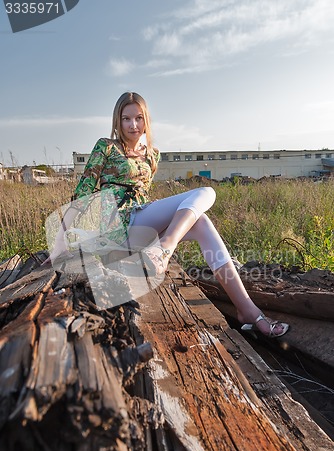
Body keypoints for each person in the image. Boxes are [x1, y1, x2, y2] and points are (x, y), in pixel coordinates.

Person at [44, 91, 289, 338]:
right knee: (206, 191)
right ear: (117, 121)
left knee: (202, 221)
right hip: (117, 226)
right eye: (126, 118)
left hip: (142, 226)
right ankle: (166, 248)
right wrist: (59, 243)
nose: (133, 125)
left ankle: (246, 309)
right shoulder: (106, 147)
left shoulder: (153, 155)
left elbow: (144, 197)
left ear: (146, 120)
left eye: (139, 118)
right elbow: (82, 195)